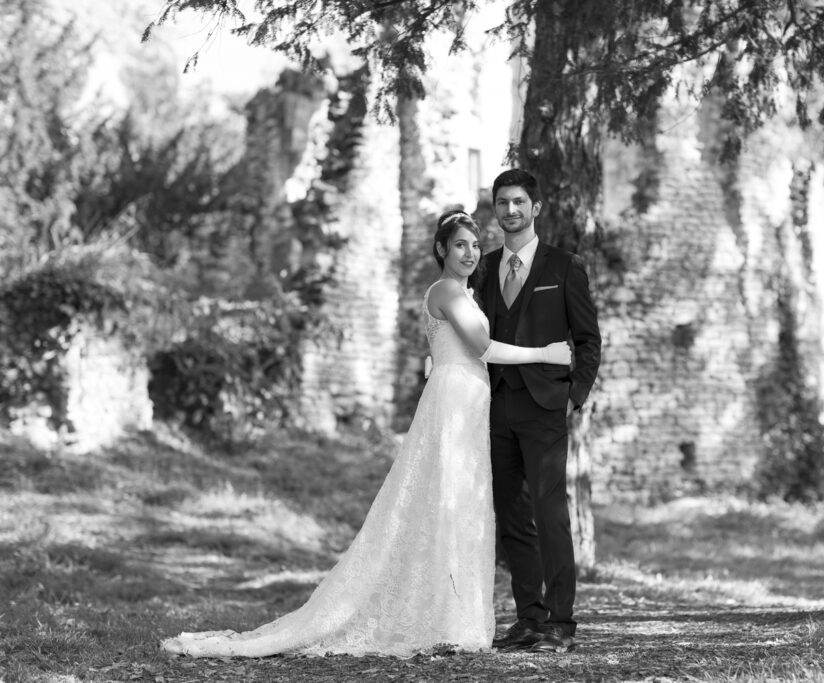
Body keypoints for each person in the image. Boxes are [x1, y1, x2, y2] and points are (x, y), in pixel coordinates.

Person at [160, 210, 572, 658]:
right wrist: (546, 354)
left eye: (475, 245)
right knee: (448, 501)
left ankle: (456, 617)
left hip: (469, 400)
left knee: (461, 506)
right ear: (441, 250)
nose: (471, 253)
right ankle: (450, 622)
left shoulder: (464, 292)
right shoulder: (448, 289)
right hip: (455, 400)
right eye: (460, 245)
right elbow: (483, 348)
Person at [482, 169, 601, 654]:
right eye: (502, 202)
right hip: (494, 406)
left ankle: (561, 623)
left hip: (545, 407)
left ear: (536, 208)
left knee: (549, 512)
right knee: (511, 517)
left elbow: (588, 340)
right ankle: (528, 618)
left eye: (518, 202)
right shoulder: (485, 268)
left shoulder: (563, 266)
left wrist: (573, 396)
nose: (510, 210)